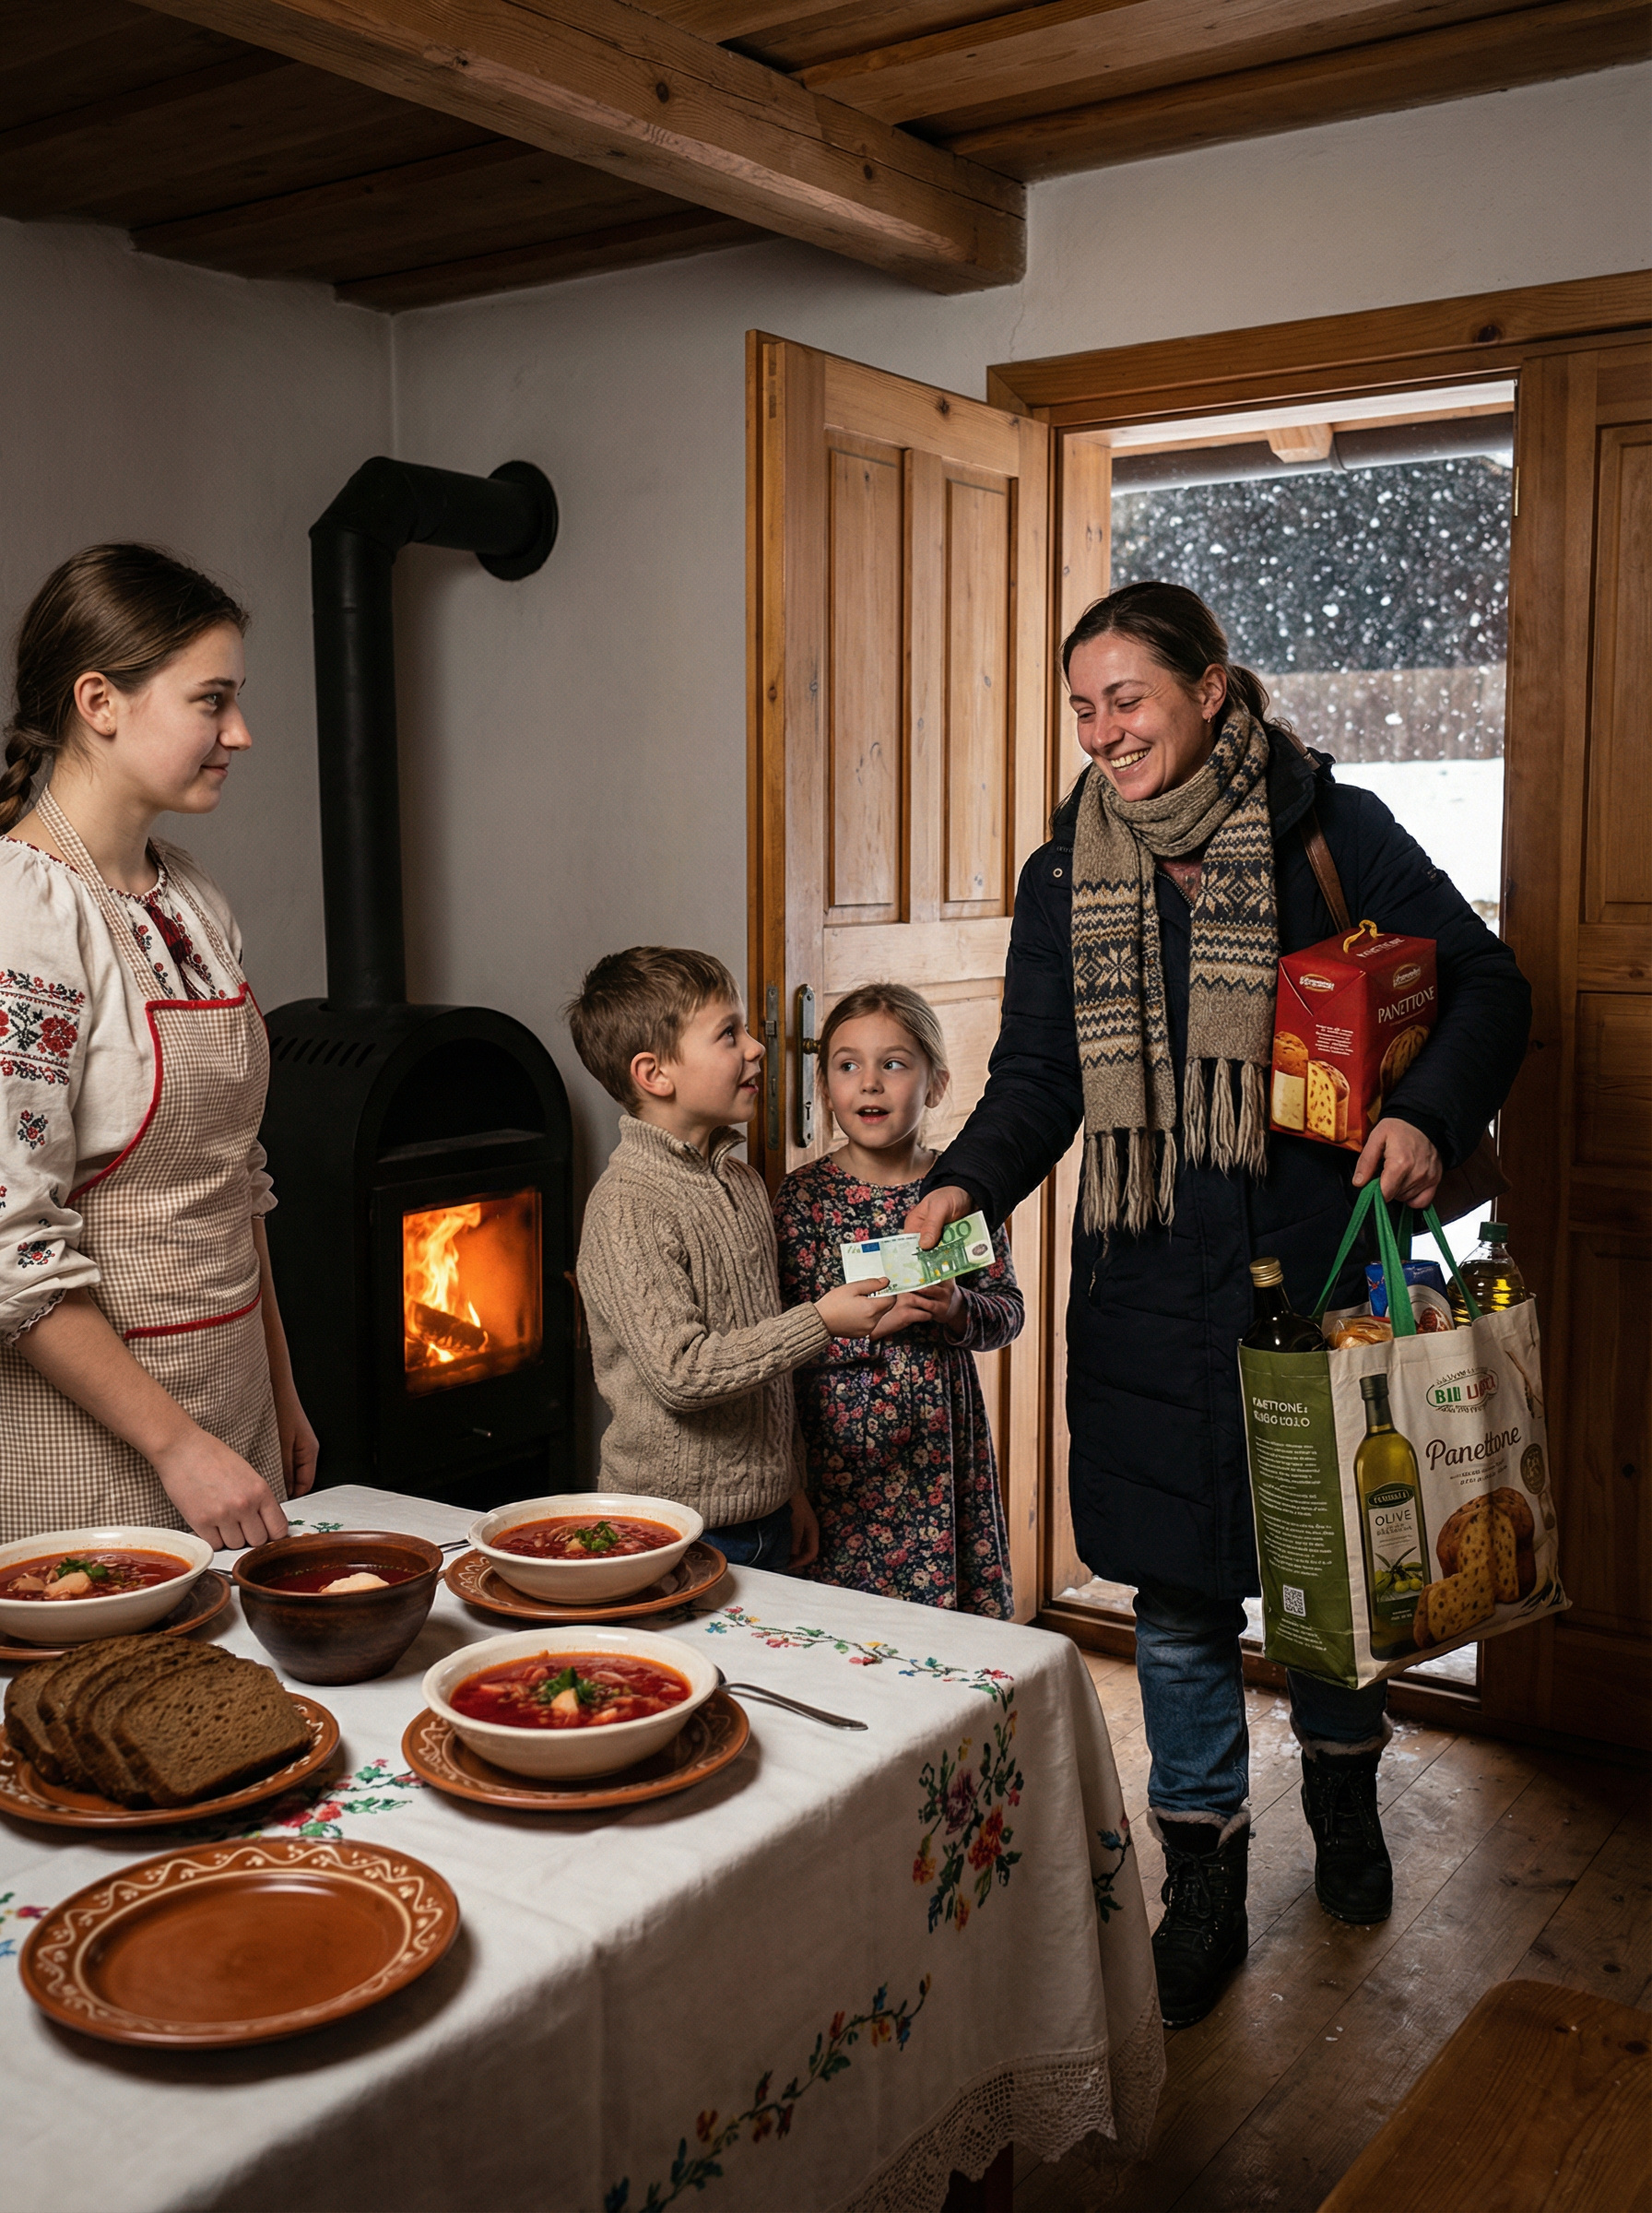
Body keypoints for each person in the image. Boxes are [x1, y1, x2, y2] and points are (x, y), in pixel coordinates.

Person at [905, 581, 1530, 2030]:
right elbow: (1040, 1078)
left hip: (1321, 1263)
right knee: (1179, 1598)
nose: (1102, 729)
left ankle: (1345, 1802)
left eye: (1126, 697)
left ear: (1210, 689)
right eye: (1081, 707)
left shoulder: (1329, 828)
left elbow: (1490, 984)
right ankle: (1200, 1869)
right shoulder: (1067, 871)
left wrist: (1430, 1112)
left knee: (1323, 1582)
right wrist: (962, 1188)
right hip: (1146, 1282)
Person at [0, 544, 318, 1549]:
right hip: (93, 1453)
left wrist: (279, 1395)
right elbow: (10, 1246)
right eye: (210, 701)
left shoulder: (194, 900)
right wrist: (178, 1446)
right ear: (100, 701)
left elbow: (237, 1179)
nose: (240, 733)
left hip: (232, 1423)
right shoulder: (22, 914)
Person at [566, 946, 891, 1570]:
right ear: (654, 1075)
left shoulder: (741, 1185)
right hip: (672, 1531)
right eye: (727, 1034)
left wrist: (789, 1482)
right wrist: (821, 1321)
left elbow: (767, 1367)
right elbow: (683, 1374)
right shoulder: (628, 1208)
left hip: (765, 1512)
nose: (756, 1047)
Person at [774, 983, 1022, 1617]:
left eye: (893, 1064)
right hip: (839, 1458)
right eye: (847, 1065)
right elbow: (778, 1341)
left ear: (935, 1085)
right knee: (849, 1632)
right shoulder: (801, 1200)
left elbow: (1008, 1311)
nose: (869, 1085)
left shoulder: (961, 1191)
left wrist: (959, 1311)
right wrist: (857, 1329)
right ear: (826, 1086)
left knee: (948, 1630)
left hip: (942, 1451)